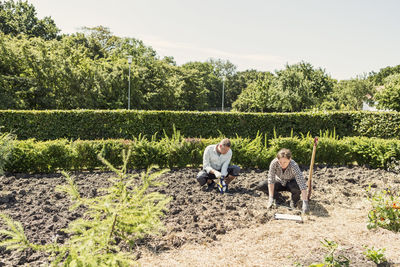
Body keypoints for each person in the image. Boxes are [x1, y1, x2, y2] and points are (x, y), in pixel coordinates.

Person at [255, 148, 309, 213]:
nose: (282, 164)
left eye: (285, 162)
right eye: (280, 162)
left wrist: (305, 202)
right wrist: (270, 198)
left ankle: (294, 201)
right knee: (262, 185)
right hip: (279, 181)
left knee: (296, 186)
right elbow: (271, 180)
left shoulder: (294, 165)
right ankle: (279, 199)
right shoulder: (274, 163)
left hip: (291, 182)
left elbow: (302, 184)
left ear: (289, 160)